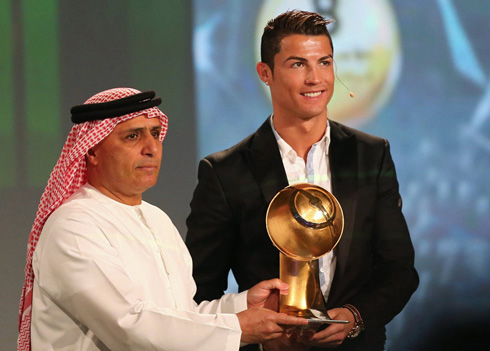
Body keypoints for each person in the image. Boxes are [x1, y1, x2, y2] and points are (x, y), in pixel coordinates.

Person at [185, 10, 419, 351]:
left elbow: (399, 270)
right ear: (265, 73)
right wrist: (251, 329)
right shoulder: (225, 172)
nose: (315, 78)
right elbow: (201, 291)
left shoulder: (371, 155)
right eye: (297, 65)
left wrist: (354, 317)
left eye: (324, 62)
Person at [17, 87, 308, 351]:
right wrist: (240, 328)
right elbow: (130, 327)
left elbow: (180, 317)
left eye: (155, 133)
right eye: (132, 136)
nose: (151, 148)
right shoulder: (73, 226)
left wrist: (244, 304)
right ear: (91, 150)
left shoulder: (156, 219)